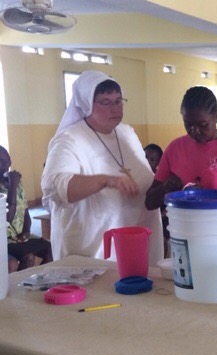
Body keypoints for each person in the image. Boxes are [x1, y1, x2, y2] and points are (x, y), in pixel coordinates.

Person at [41, 71, 163, 263]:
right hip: (95, 247)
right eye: (105, 102)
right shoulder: (69, 140)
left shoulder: (126, 133)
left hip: (137, 239)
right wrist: (106, 180)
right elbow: (58, 187)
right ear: (86, 104)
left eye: (118, 101)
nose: (115, 108)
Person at [145, 86, 217, 210]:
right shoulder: (174, 148)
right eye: (188, 124)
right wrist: (165, 187)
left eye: (203, 125)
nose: (195, 131)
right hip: (183, 221)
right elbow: (149, 203)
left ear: (216, 116)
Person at [1, 146, 53, 270]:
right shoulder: (13, 183)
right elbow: (7, 218)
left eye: (7, 159)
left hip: (20, 236)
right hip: (5, 239)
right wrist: (12, 186)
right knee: (28, 257)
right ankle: (21, 282)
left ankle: (39, 279)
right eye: (0, 160)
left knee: (51, 249)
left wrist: (26, 232)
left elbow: (25, 211)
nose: (5, 164)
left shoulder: (16, 182)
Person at [144, 143, 170, 257]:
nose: (148, 162)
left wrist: (160, 215)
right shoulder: (135, 174)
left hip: (160, 217)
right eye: (145, 157)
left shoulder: (160, 179)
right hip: (141, 215)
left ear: (159, 163)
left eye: (152, 160)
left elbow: (166, 206)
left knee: (160, 240)